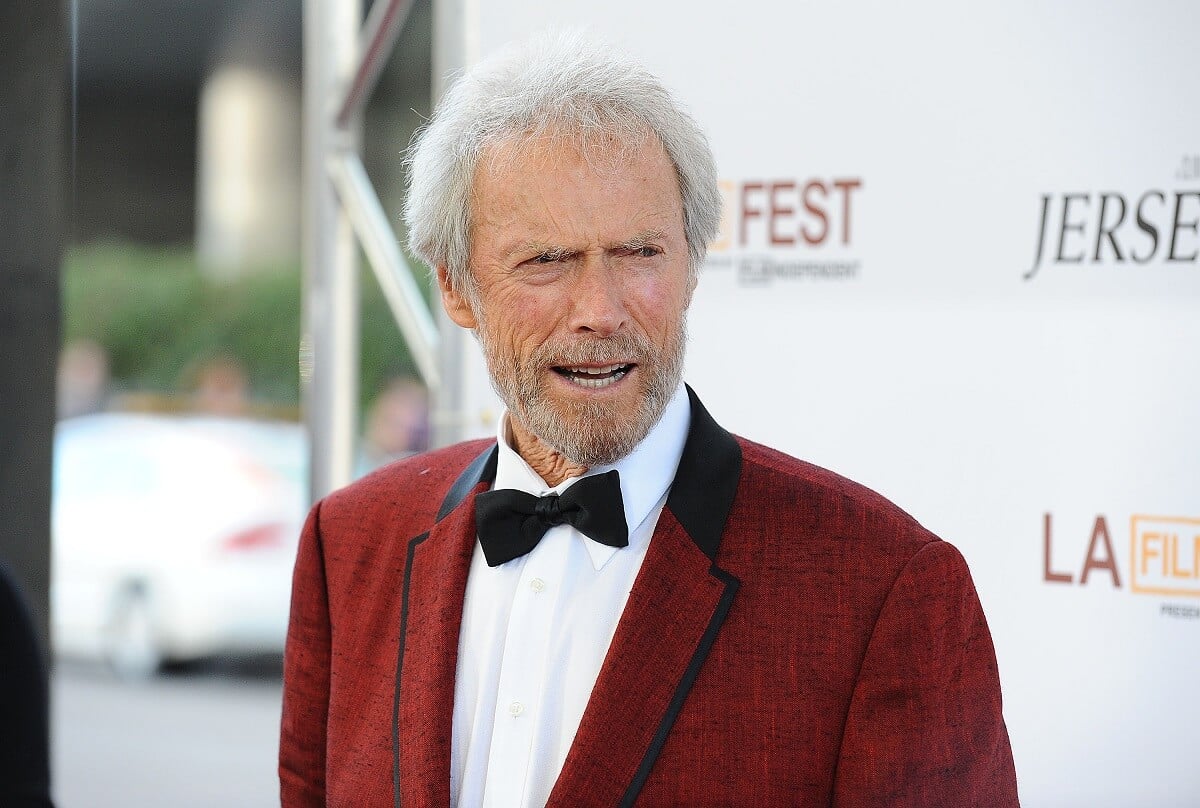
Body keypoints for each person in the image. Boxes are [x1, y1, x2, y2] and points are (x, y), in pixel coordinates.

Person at [280, 34, 1019, 807]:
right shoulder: (350, 545)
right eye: (546, 261)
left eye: (639, 253)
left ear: (692, 266)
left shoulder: (881, 590)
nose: (600, 311)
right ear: (455, 288)